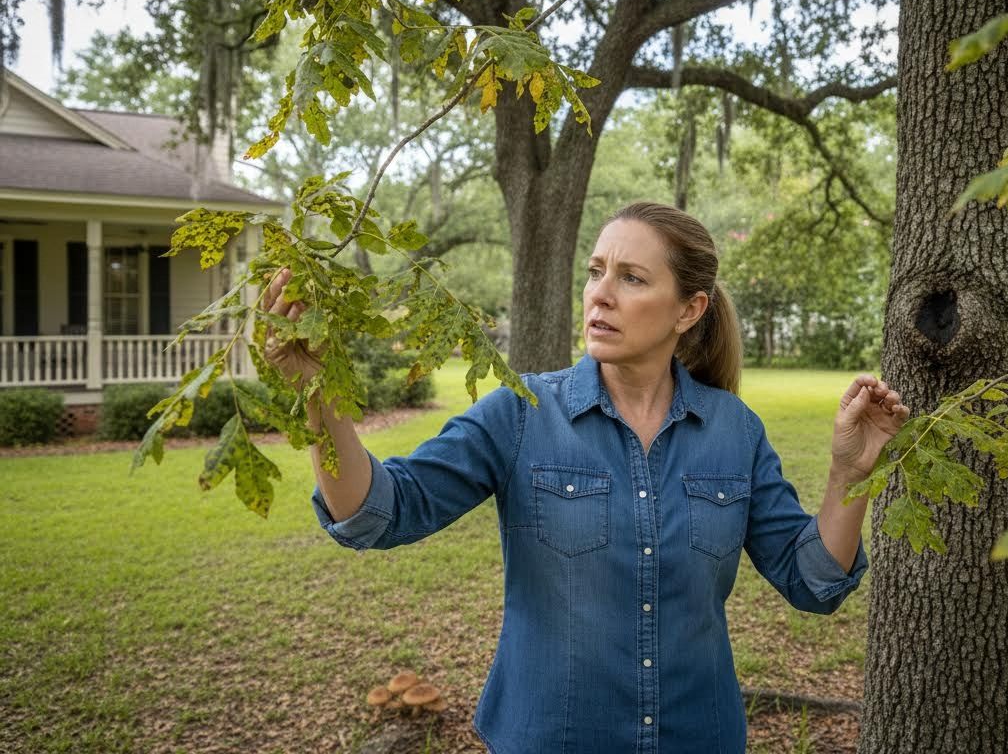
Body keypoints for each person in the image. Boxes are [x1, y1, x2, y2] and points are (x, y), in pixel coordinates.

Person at [262, 201, 910, 754]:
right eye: (596, 272)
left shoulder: (733, 431)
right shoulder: (520, 415)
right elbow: (375, 513)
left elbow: (815, 583)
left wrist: (849, 473)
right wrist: (320, 396)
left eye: (630, 278)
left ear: (689, 310)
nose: (599, 293)